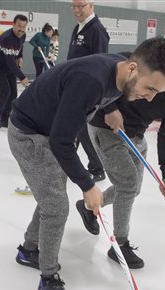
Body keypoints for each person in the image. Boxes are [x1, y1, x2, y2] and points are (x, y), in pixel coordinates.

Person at [9, 38, 165, 290]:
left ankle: (29, 249)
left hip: (50, 130)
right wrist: (88, 185)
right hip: (30, 134)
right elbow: (61, 142)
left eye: (156, 93)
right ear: (133, 69)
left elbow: (75, 120)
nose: (150, 97)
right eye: (149, 88)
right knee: (56, 206)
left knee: (51, 196)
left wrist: (108, 109)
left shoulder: (122, 69)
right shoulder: (90, 80)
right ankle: (48, 277)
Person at [77, 51, 165, 268]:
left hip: (135, 133)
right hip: (106, 127)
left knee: (133, 189)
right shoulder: (154, 69)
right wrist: (110, 108)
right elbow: (111, 70)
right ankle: (120, 245)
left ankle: (88, 208)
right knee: (127, 185)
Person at [68, 0, 110, 182]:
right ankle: (68, 163)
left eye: (81, 6)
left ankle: (97, 167)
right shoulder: (79, 28)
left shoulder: (97, 30)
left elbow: (101, 65)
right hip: (73, 88)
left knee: (81, 130)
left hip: (85, 92)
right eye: (74, 6)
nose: (77, 10)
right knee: (72, 129)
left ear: (91, 5)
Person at [0, 14, 29, 129]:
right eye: (19, 26)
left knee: (13, 93)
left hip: (8, 67)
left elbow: (20, 47)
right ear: (13, 24)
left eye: (24, 27)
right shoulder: (7, 38)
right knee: (5, 91)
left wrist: (20, 57)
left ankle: (5, 119)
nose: (21, 29)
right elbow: (11, 63)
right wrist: (22, 77)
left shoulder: (23, 35)